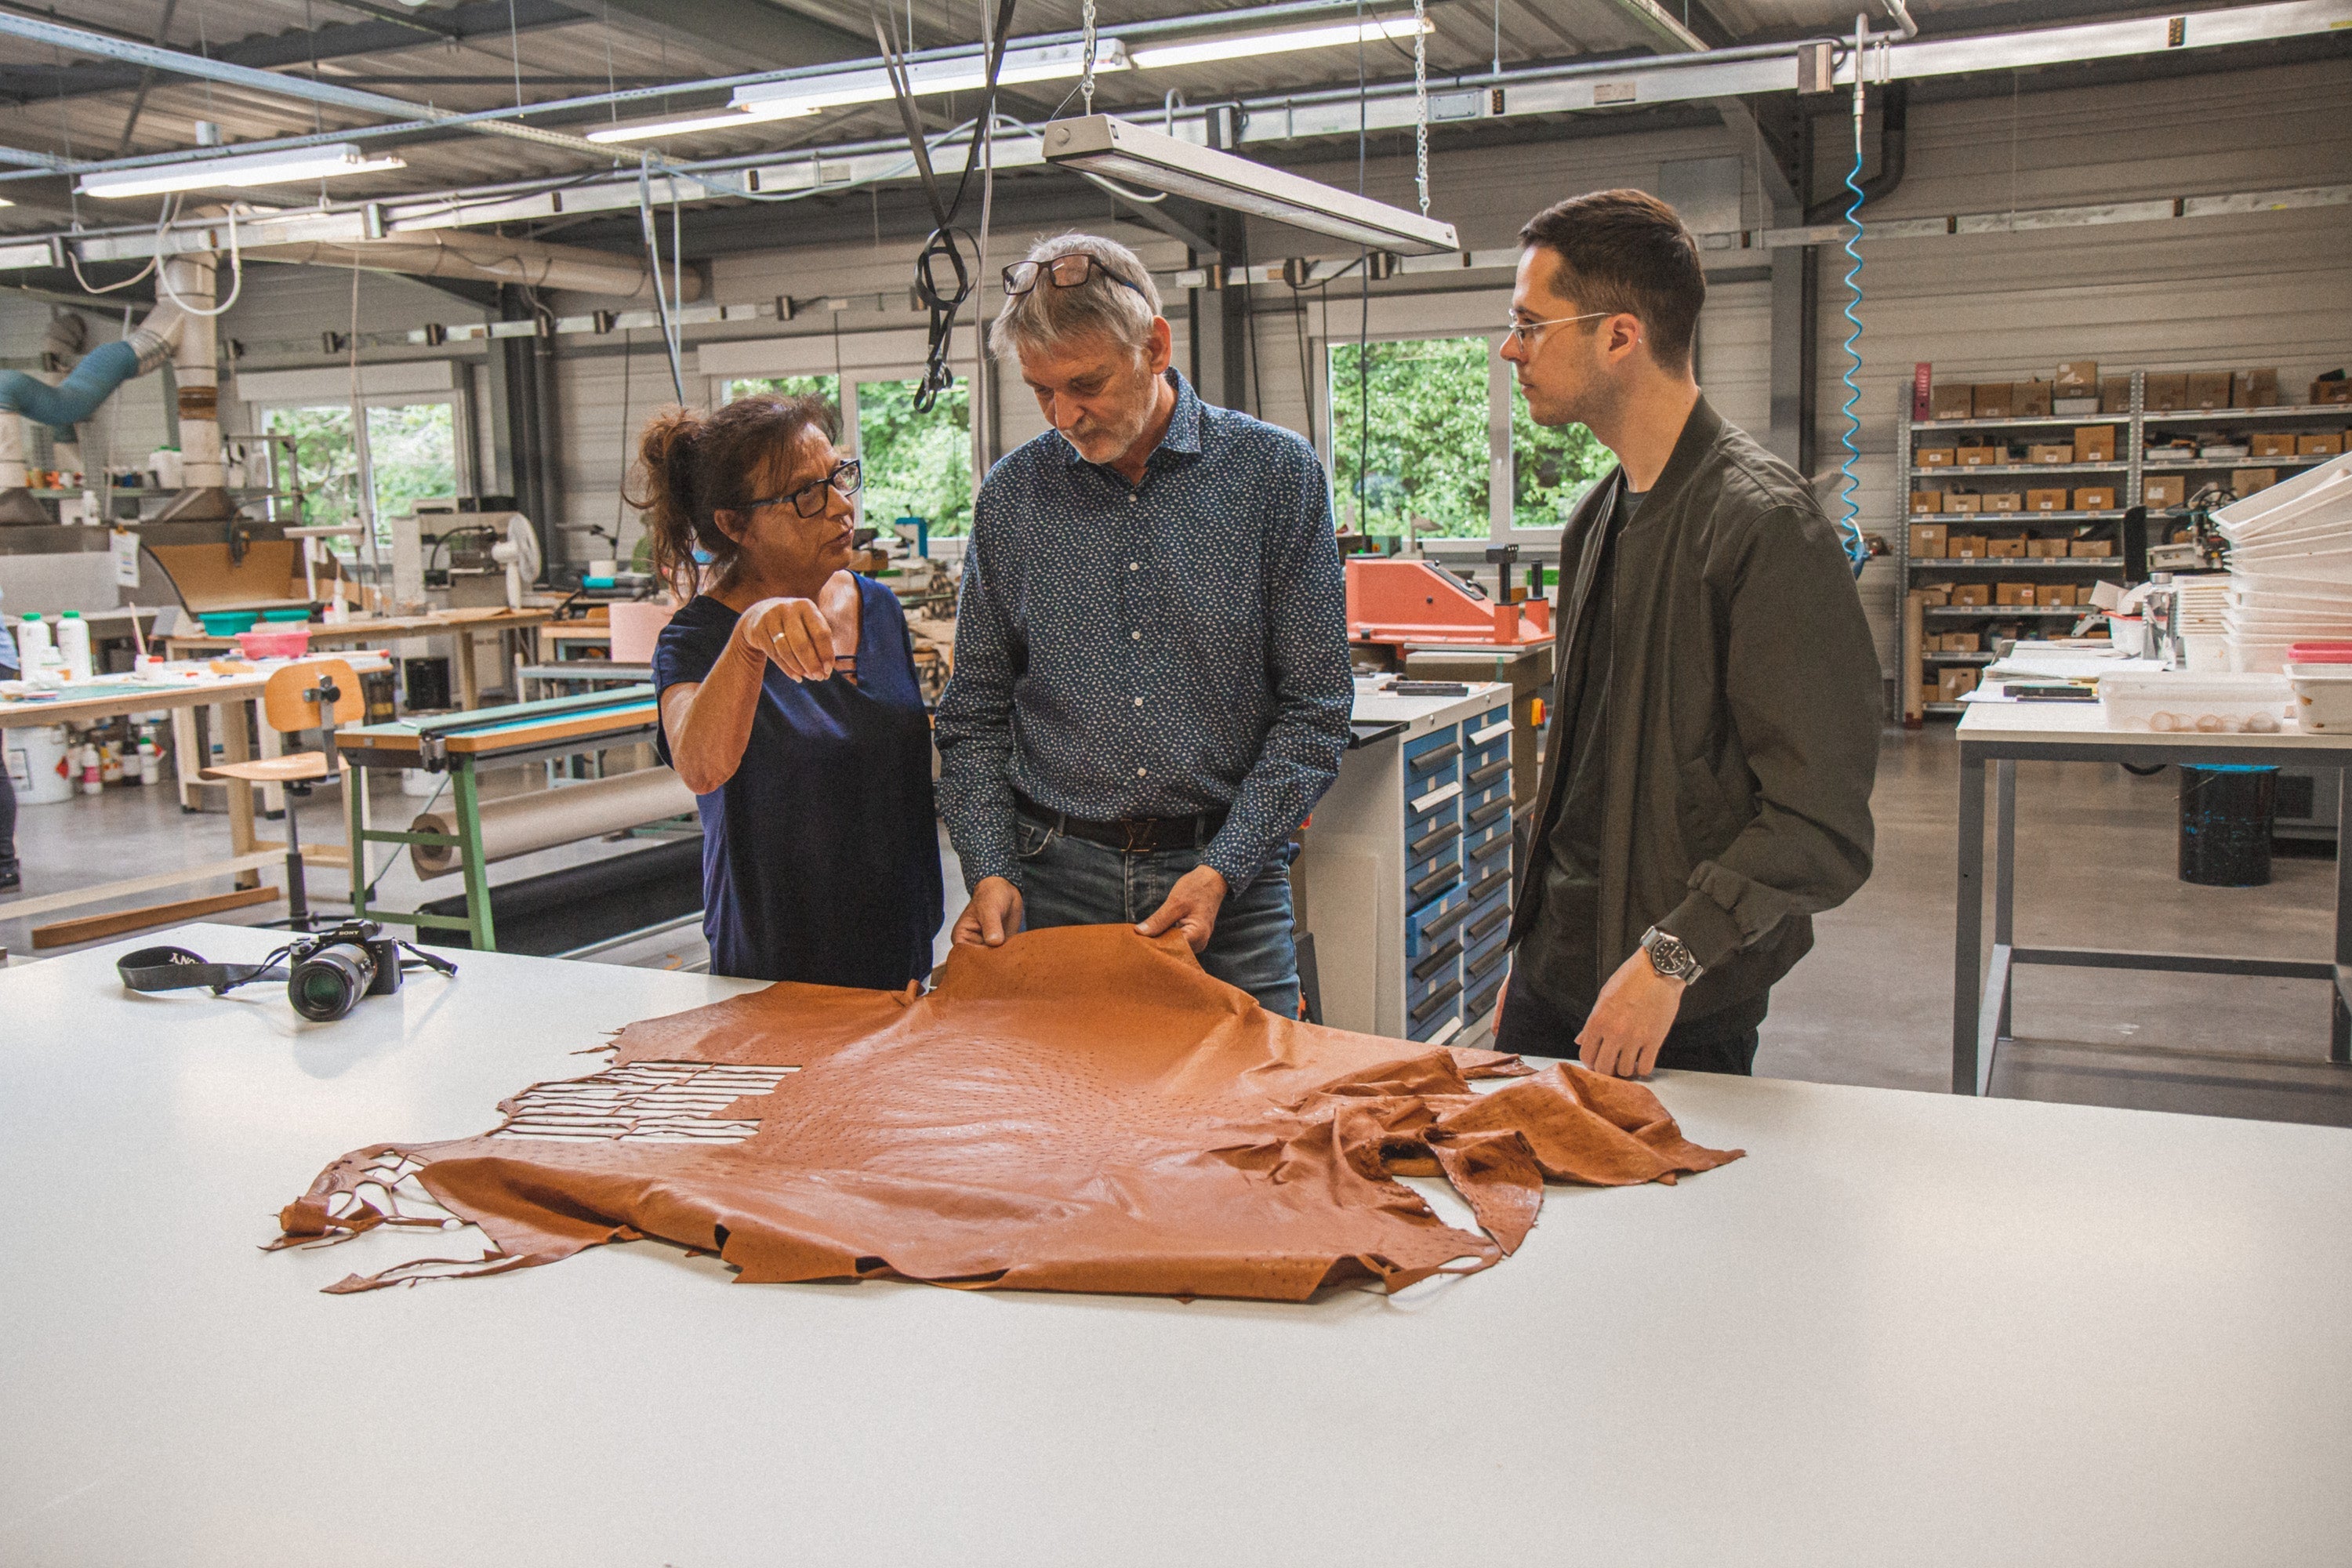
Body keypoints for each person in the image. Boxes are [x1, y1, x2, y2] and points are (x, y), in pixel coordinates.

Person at [1494, 188, 1879, 1079]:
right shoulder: (1599, 518)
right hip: (1556, 973)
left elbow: (1821, 822)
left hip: (1670, 1002)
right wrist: (1531, 954)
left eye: (1530, 323)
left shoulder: (1764, 527)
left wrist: (1670, 958)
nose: (1512, 348)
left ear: (1620, 335)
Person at [935, 233, 1350, 1015]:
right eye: (1040, 390)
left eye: (1085, 383)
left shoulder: (1273, 476)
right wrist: (990, 865)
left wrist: (1227, 865)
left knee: (1249, 1118)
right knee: (1070, 1115)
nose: (1064, 415)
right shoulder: (1012, 497)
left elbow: (1317, 708)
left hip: (1225, 879)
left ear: (1154, 345)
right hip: (1055, 876)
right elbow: (976, 714)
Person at [637, 392, 943, 988]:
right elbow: (699, 767)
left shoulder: (876, 608)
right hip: (776, 970)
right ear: (734, 524)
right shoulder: (699, 638)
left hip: (900, 963)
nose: (840, 507)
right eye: (806, 494)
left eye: (839, 478)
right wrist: (748, 643)